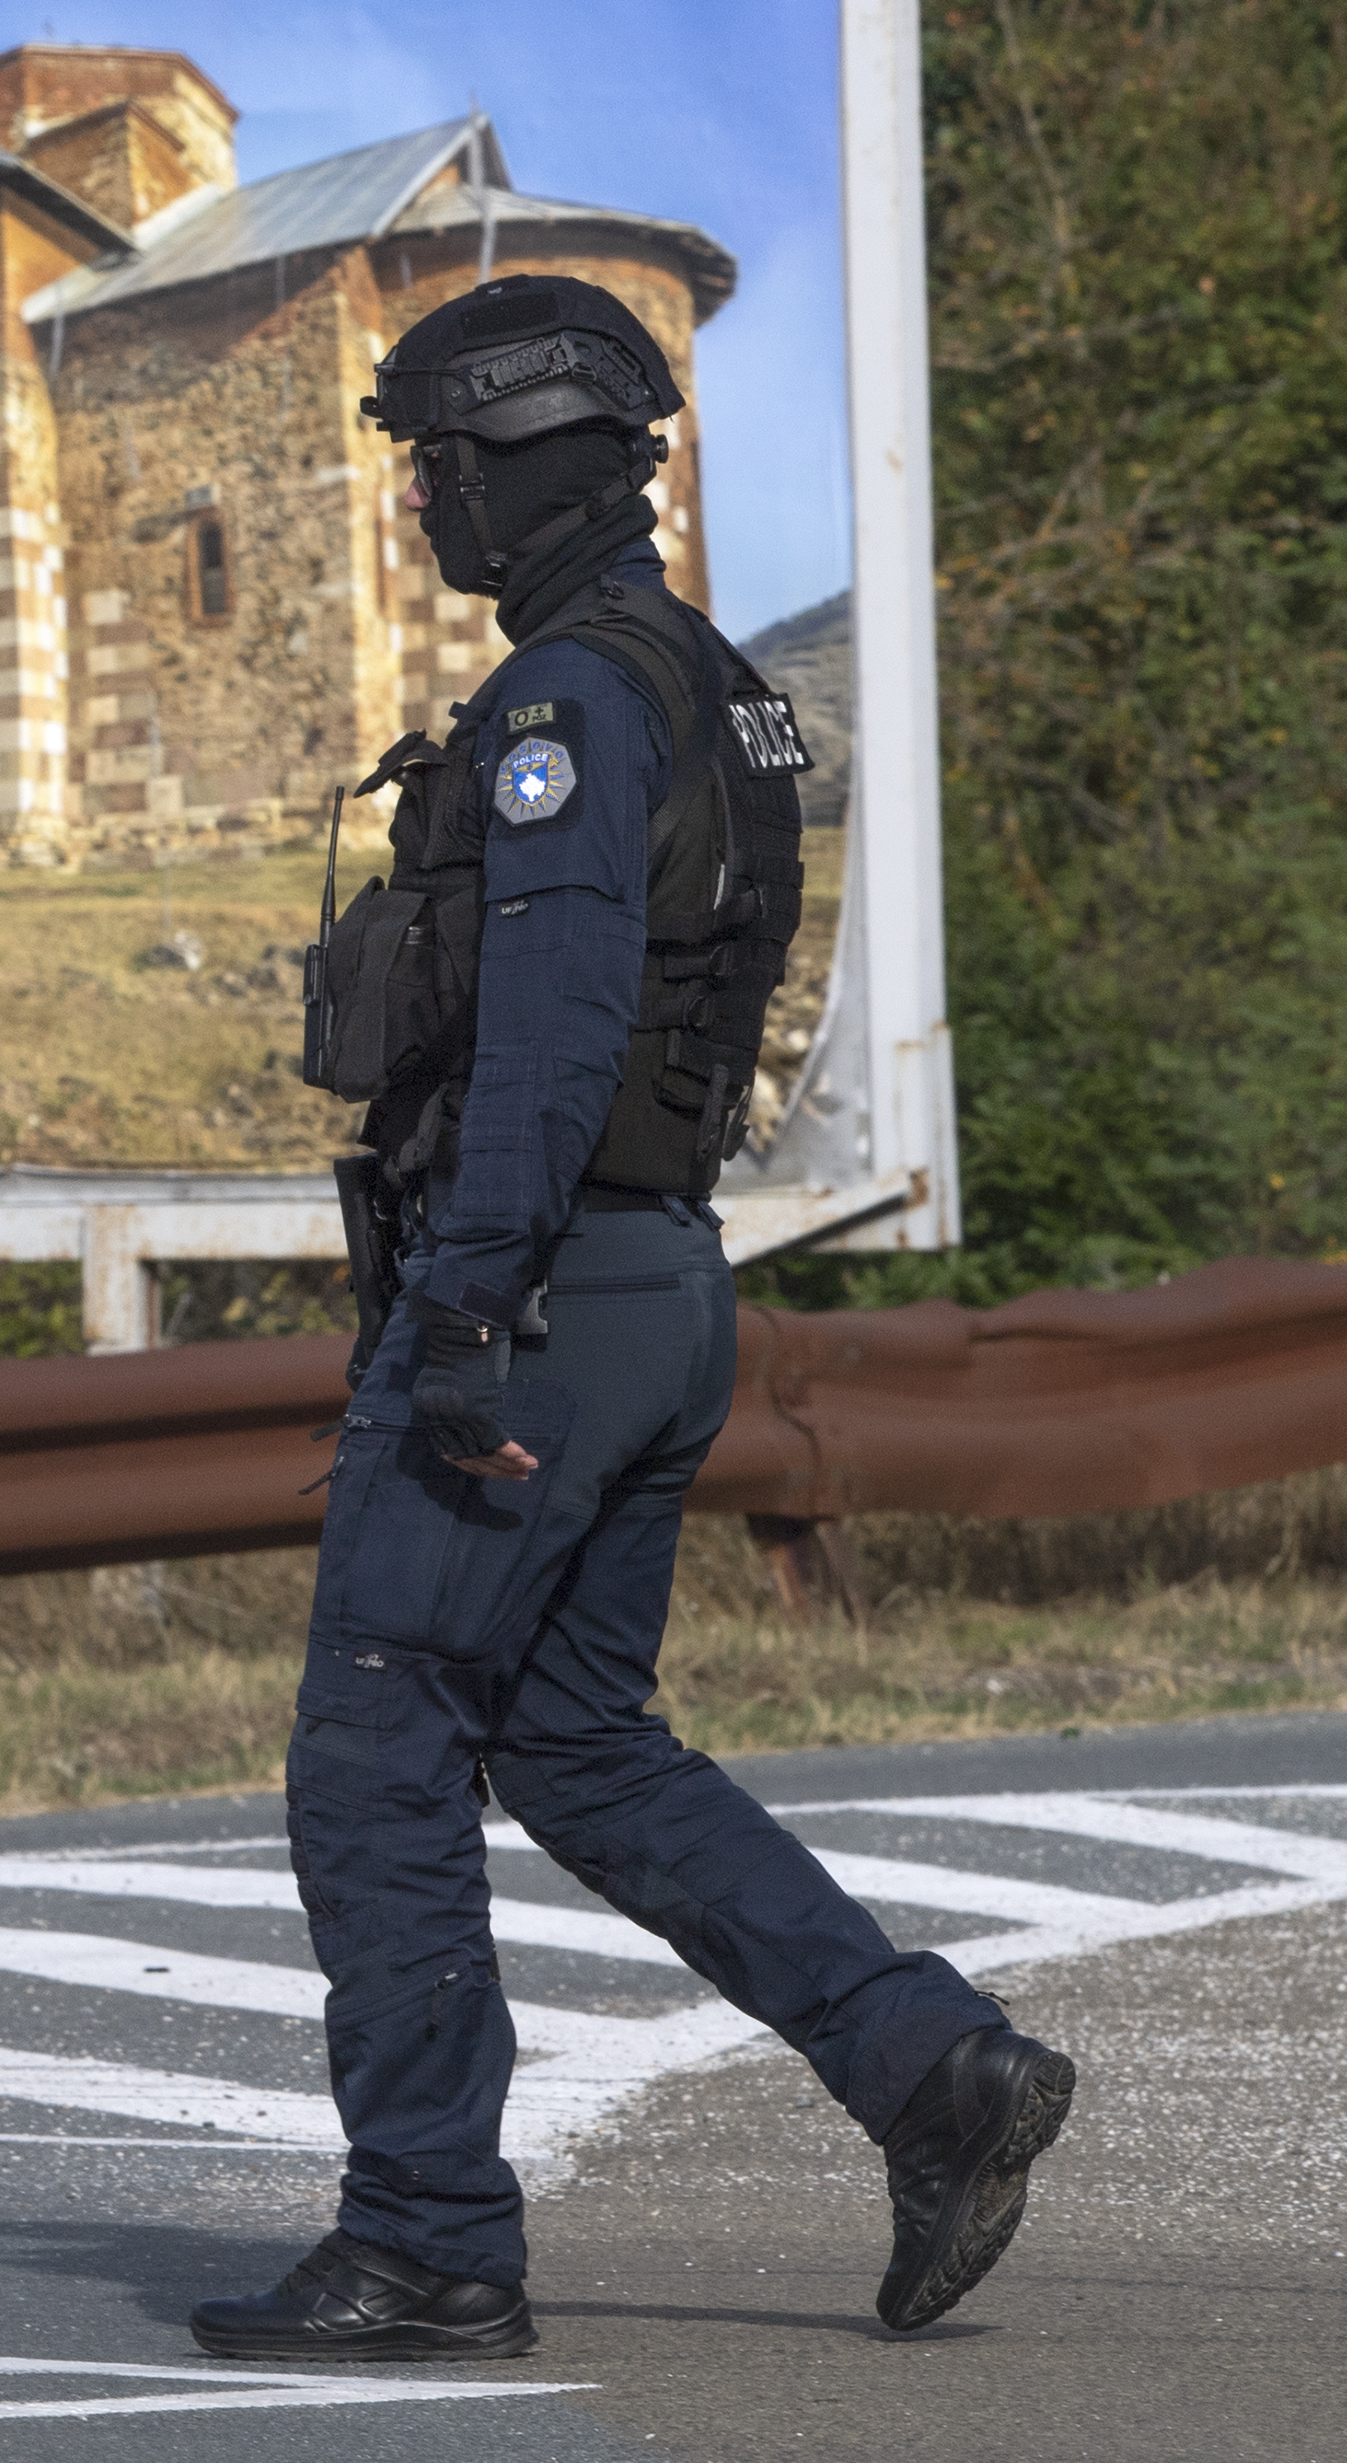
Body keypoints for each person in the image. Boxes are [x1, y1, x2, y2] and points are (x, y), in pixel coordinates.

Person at [199, 274, 1075, 2361]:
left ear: (526, 462)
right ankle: (934, 2071)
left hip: (548, 1290)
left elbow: (557, 1030)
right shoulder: (703, 681)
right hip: (659, 1276)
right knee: (578, 1742)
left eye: (434, 463)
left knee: (376, 1742)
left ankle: (426, 2230)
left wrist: (470, 1309)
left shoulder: (563, 712)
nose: (419, 502)